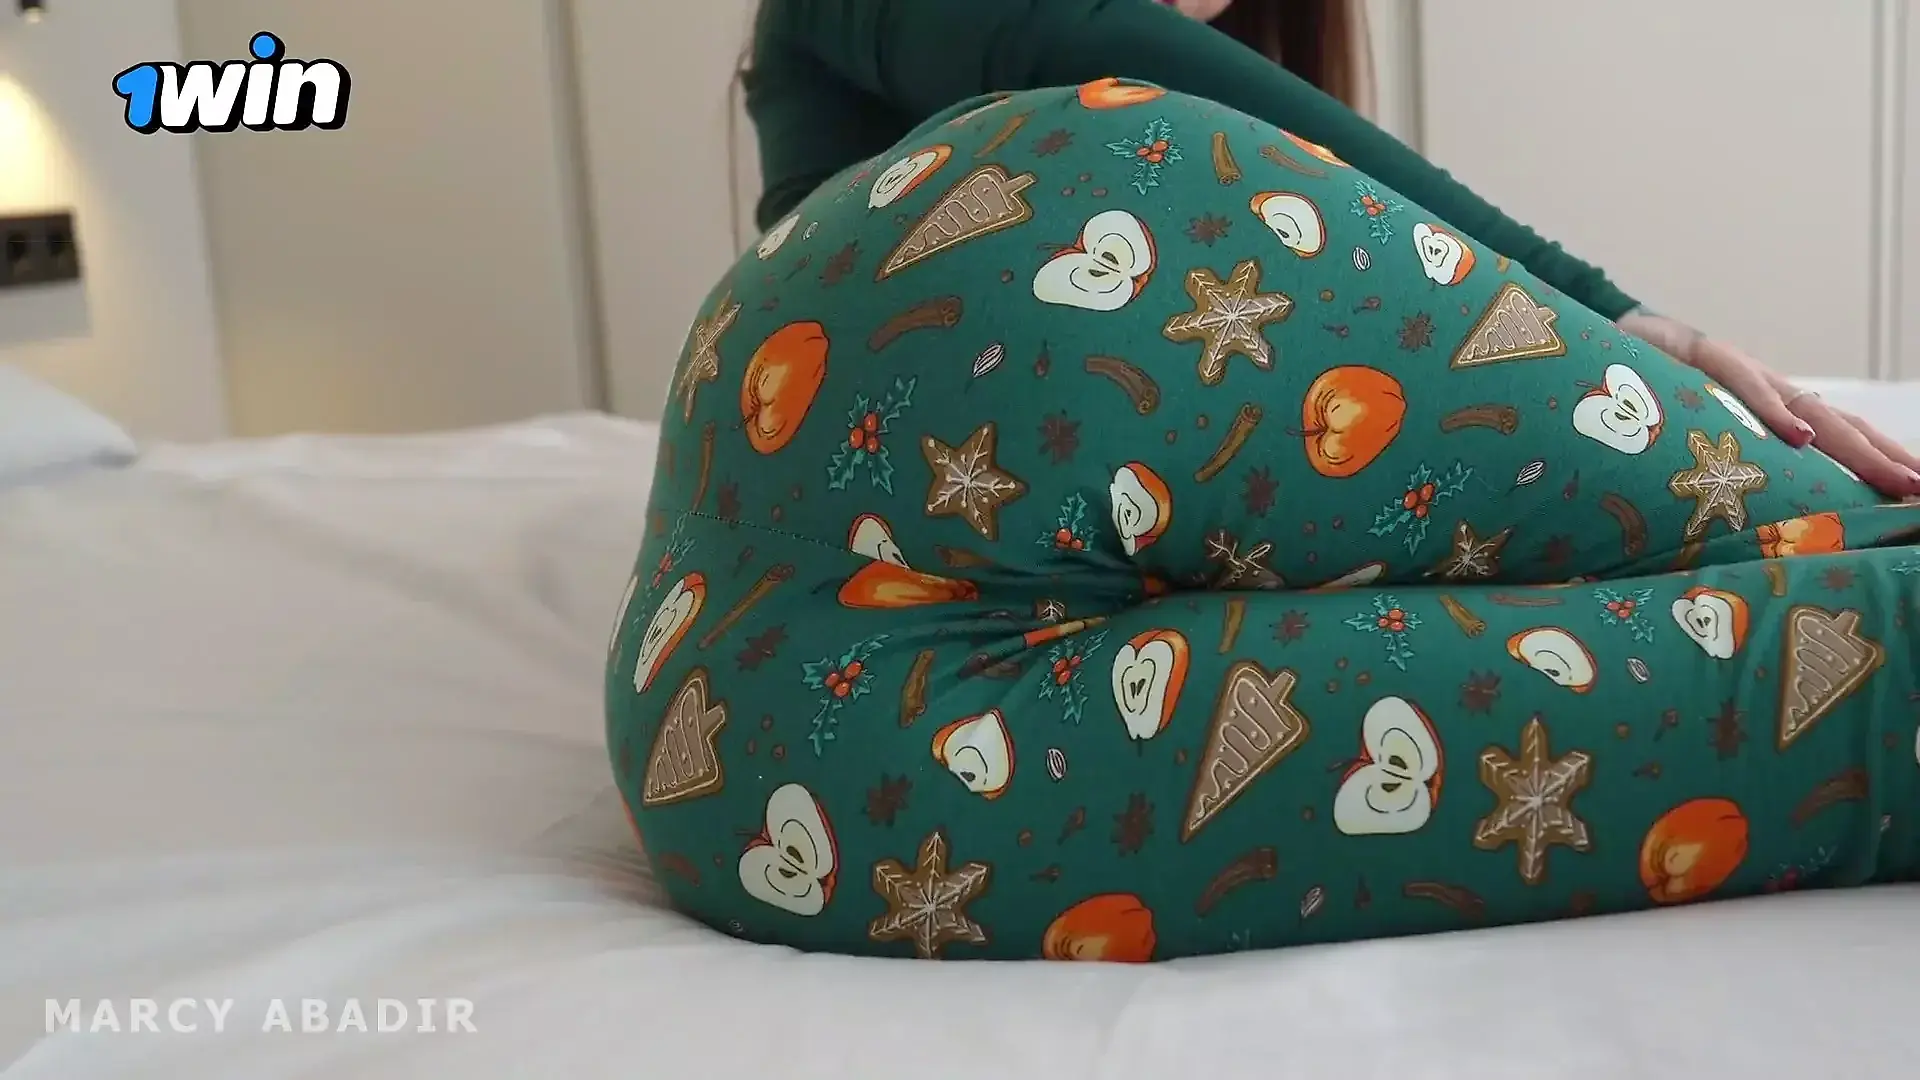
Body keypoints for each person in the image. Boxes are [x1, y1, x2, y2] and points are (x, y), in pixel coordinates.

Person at [607, 0, 1920, 962]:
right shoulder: (1050, 135)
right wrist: (1618, 318)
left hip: (738, 761)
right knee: (1808, 552)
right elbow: (1068, 41)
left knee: (1821, 661)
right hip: (833, 660)